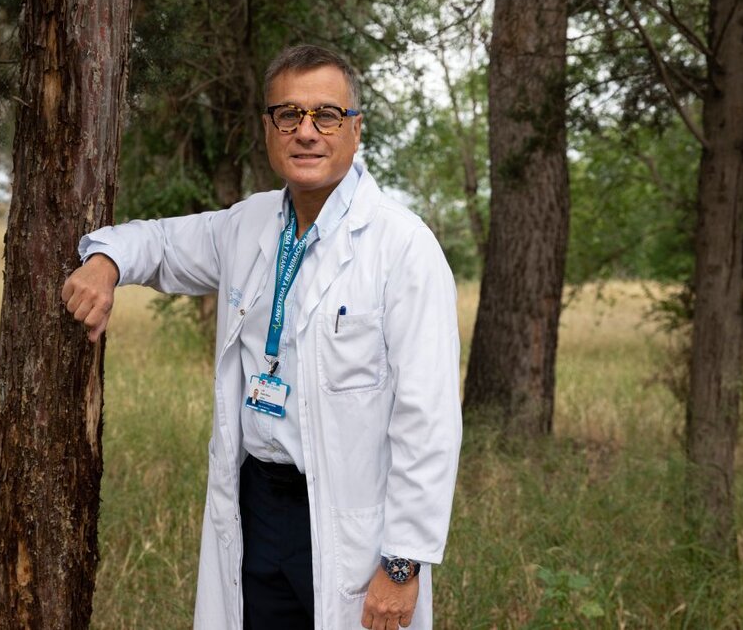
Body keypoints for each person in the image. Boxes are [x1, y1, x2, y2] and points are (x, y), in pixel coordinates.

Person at [61, 45, 462, 629]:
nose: (307, 132)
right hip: (255, 507)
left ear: (355, 130)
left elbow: (428, 421)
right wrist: (104, 263)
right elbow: (161, 243)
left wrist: (402, 565)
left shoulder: (402, 247)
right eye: (289, 115)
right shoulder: (248, 224)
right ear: (268, 128)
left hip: (346, 520)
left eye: (326, 115)